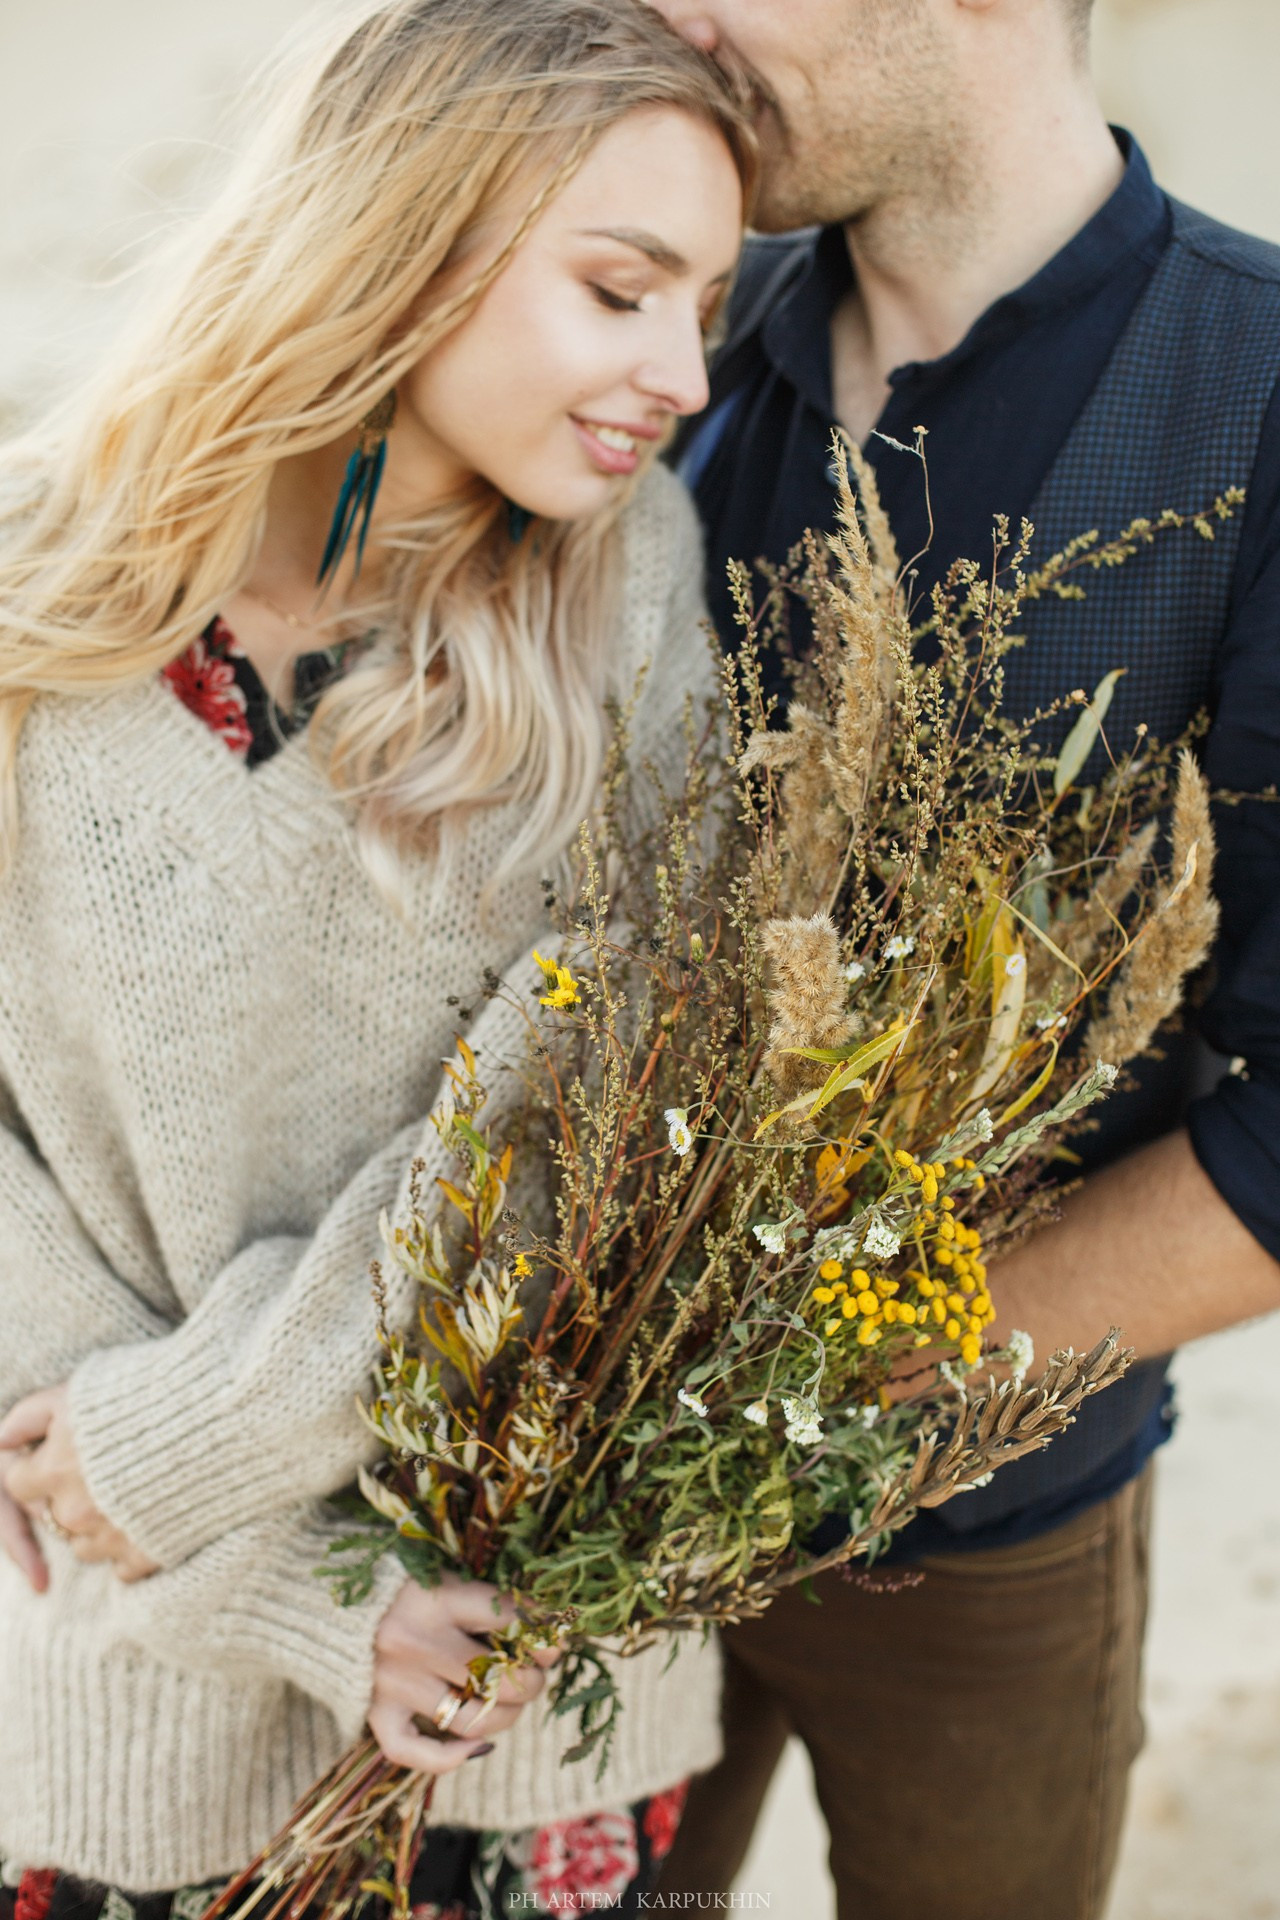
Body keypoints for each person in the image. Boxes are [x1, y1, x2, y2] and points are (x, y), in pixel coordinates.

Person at [0, 4, 753, 1915]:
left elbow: (595, 1107)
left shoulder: (632, 582)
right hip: (125, 1702)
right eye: (620, 291)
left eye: (707, 309)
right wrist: (288, 1583)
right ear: (412, 238)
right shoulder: (31, 587)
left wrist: (205, 1437)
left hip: (520, 1705)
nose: (681, 373)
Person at [645, 1, 1280, 1916]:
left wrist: (857, 1362)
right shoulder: (651, 327)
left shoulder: (1256, 400)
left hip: (988, 1542)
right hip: (577, 1500)